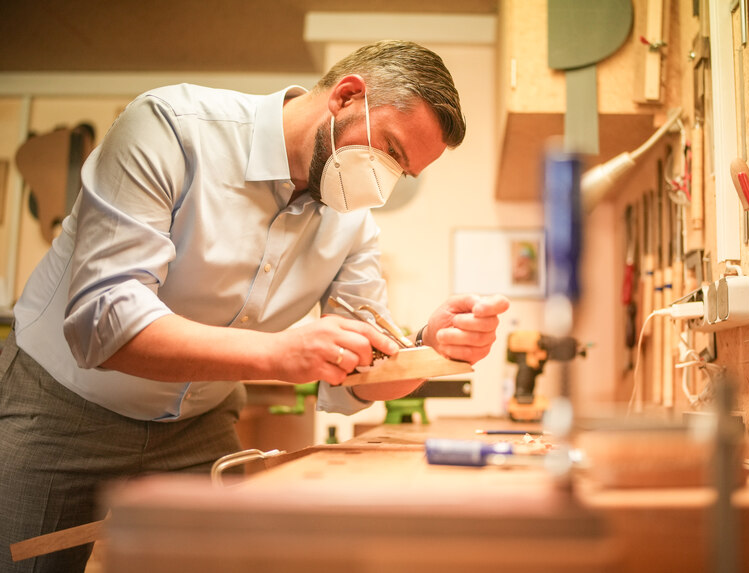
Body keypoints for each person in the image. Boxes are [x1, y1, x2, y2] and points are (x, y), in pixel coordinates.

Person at [0, 40, 510, 572]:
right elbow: (105, 323)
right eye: (389, 149)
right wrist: (276, 355)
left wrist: (428, 348)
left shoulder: (353, 224)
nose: (383, 182)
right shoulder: (170, 128)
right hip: (57, 406)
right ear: (346, 96)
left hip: (197, 423)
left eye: (402, 173)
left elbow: (357, 376)